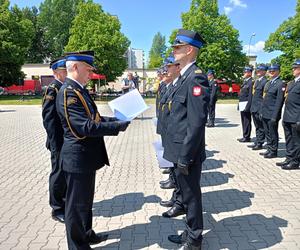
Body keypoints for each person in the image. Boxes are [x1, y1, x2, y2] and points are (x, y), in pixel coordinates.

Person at [56, 50, 130, 250]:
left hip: (86, 158)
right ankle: (77, 245)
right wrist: (117, 127)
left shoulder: (80, 90)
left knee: (85, 203)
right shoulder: (69, 92)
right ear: (75, 67)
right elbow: (84, 127)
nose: (90, 73)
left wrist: (115, 120)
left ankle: (87, 234)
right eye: (87, 69)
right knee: (75, 206)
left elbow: (94, 119)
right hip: (77, 158)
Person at [163, 29, 209, 250]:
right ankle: (189, 233)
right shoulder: (184, 76)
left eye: (177, 47)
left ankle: (194, 240)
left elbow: (197, 122)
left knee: (192, 197)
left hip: (186, 153)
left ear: (189, 50)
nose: (174, 51)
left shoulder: (196, 77)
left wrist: (186, 156)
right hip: (178, 150)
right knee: (188, 196)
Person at [42, 57, 67, 223]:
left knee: (64, 172)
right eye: (64, 71)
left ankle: (64, 201)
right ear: (57, 72)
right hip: (57, 140)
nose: (67, 73)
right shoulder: (54, 88)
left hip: (65, 139)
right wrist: (54, 141)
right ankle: (57, 209)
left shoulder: (64, 87)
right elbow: (48, 118)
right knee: (57, 173)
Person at [277, 59, 300, 170]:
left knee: (297, 141)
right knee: (289, 139)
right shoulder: (292, 82)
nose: (293, 70)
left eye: (295, 68)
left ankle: (295, 162)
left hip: (296, 117)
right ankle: (289, 158)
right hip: (288, 116)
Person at [260, 64, 285, 159]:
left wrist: (275, 116)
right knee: (267, 132)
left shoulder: (280, 83)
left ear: (278, 71)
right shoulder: (269, 83)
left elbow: (279, 101)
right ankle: (269, 149)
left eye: (273, 71)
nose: (271, 72)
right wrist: (262, 111)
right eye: (270, 71)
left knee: (273, 133)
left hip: (272, 113)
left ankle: (273, 151)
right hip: (265, 112)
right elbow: (265, 99)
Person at [248, 64, 268, 150]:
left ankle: (260, 142)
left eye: (260, 70)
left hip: (259, 107)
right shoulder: (257, 81)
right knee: (257, 126)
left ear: (264, 71)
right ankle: (257, 141)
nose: (258, 72)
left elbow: (264, 97)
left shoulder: (265, 82)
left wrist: (262, 109)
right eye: (257, 70)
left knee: (261, 126)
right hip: (254, 107)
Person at [237, 66, 253, 143]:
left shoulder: (251, 82)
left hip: (246, 104)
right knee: (243, 120)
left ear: (250, 73)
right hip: (242, 103)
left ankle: (247, 137)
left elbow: (250, 95)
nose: (244, 73)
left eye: (245, 72)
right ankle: (244, 135)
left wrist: (248, 106)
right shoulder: (245, 81)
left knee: (247, 120)